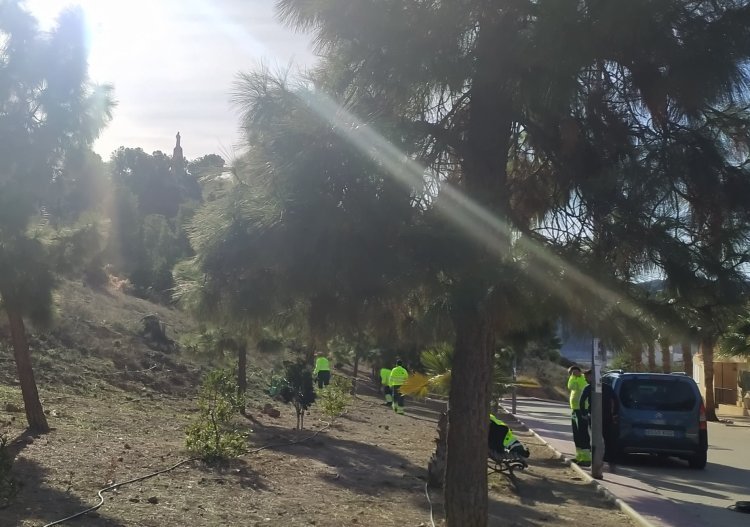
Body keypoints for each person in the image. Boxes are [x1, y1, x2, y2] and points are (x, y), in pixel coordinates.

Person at [579, 369, 619, 468]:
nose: (585, 379)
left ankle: (597, 463)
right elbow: (616, 400)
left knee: (596, 440)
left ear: (592, 376)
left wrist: (584, 413)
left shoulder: (589, 388)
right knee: (608, 440)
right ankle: (610, 462)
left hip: (595, 418)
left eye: (586, 377)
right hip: (607, 417)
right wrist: (614, 414)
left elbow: (582, 401)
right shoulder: (607, 387)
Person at [567, 365, 591, 466]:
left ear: (578, 372)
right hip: (574, 410)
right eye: (571, 373)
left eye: (574, 372)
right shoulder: (575, 379)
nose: (572, 374)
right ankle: (579, 456)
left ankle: (586, 458)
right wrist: (573, 377)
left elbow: (572, 386)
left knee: (582, 433)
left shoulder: (582, 379)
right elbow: (570, 387)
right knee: (576, 435)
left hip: (581, 410)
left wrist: (574, 377)